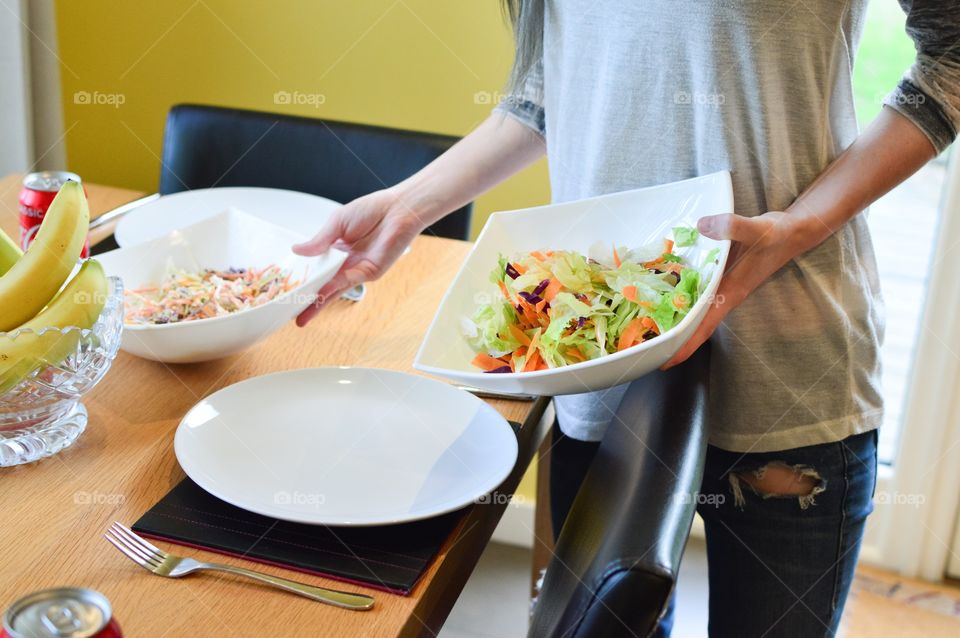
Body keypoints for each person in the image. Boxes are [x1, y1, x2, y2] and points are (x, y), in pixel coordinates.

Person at [294, 2, 960, 635]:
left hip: (785, 365)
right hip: (603, 360)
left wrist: (797, 226)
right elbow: (549, 91)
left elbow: (952, 51)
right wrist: (406, 208)